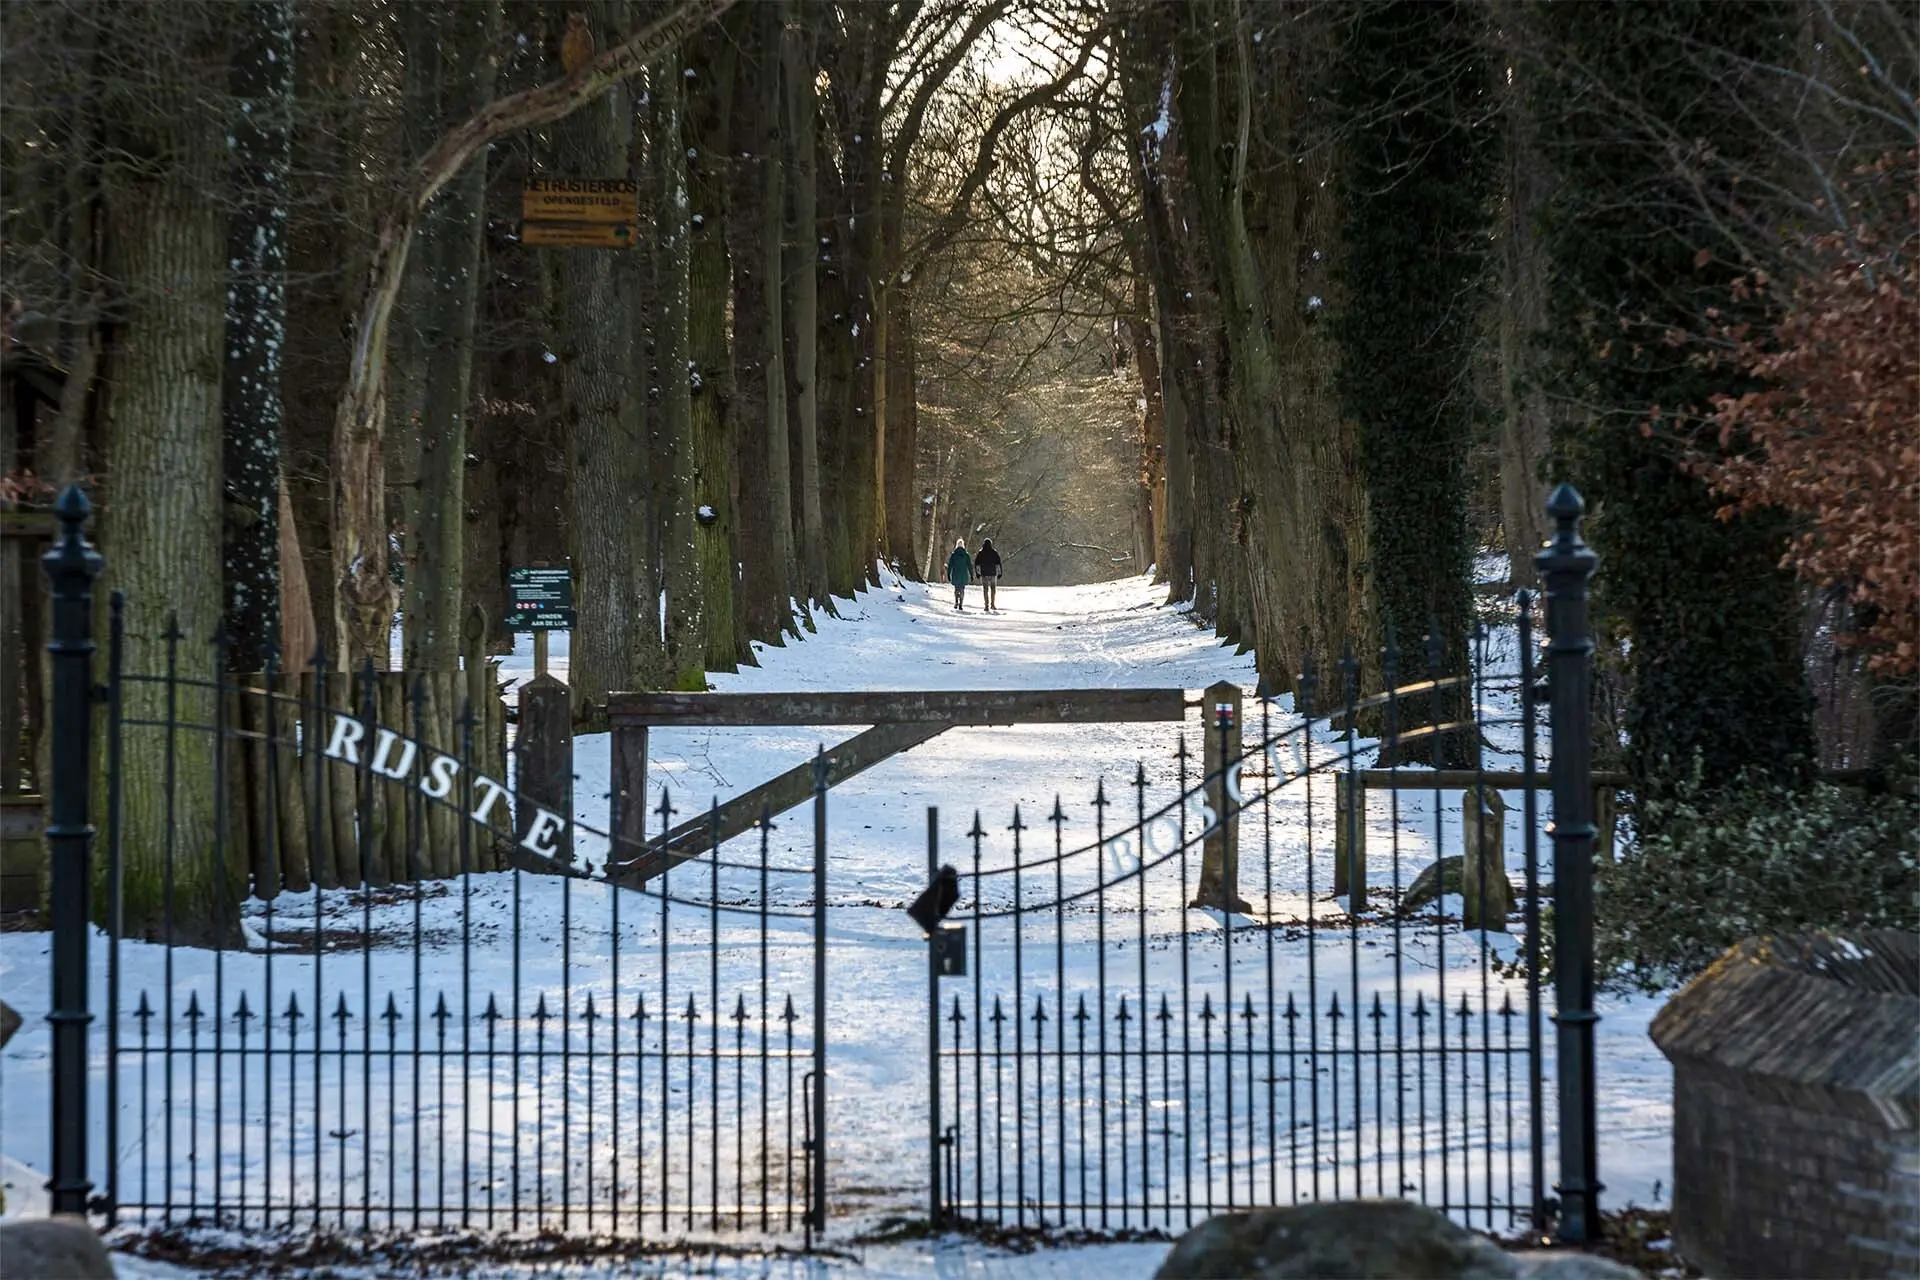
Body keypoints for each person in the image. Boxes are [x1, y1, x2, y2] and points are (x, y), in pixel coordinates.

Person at [974, 538, 1003, 613]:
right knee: (993, 589)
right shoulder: (994, 552)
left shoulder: (981, 553)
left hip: (984, 574)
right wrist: (1000, 573)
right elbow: (998, 563)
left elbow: (977, 564)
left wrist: (977, 573)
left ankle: (986, 605)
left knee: (985, 590)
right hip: (993, 574)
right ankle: (992, 604)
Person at [945, 538, 972, 611]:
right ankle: (961, 604)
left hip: (956, 574)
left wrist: (948, 574)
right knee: (962, 589)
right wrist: (971, 574)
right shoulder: (966, 555)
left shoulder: (954, 555)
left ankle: (956, 601)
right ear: (963, 545)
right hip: (963, 575)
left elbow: (950, 565)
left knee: (956, 588)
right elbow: (969, 566)